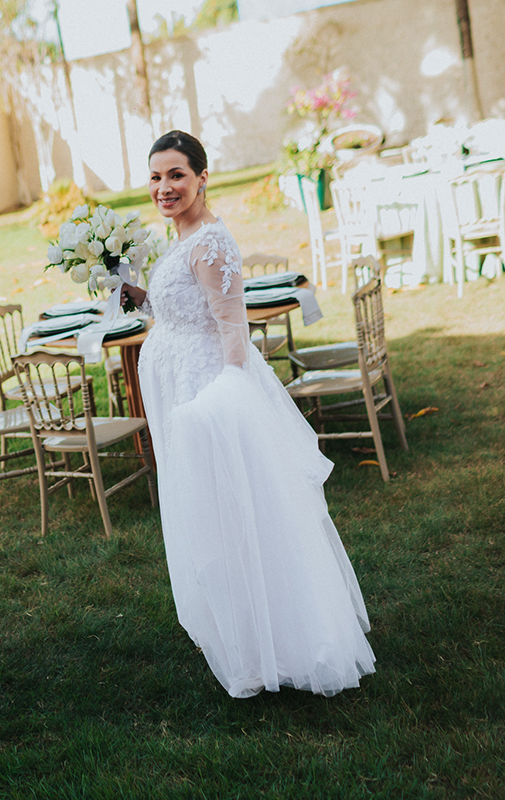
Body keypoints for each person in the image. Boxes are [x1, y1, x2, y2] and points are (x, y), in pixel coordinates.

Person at [120, 131, 375, 698]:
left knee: (236, 511)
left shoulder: (211, 242)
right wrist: (125, 283)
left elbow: (232, 325)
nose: (165, 187)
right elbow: (173, 306)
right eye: (156, 177)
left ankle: (279, 642)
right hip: (176, 382)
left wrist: (226, 399)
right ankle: (236, 630)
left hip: (205, 389)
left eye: (177, 175)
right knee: (203, 512)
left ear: (202, 177)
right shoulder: (181, 237)